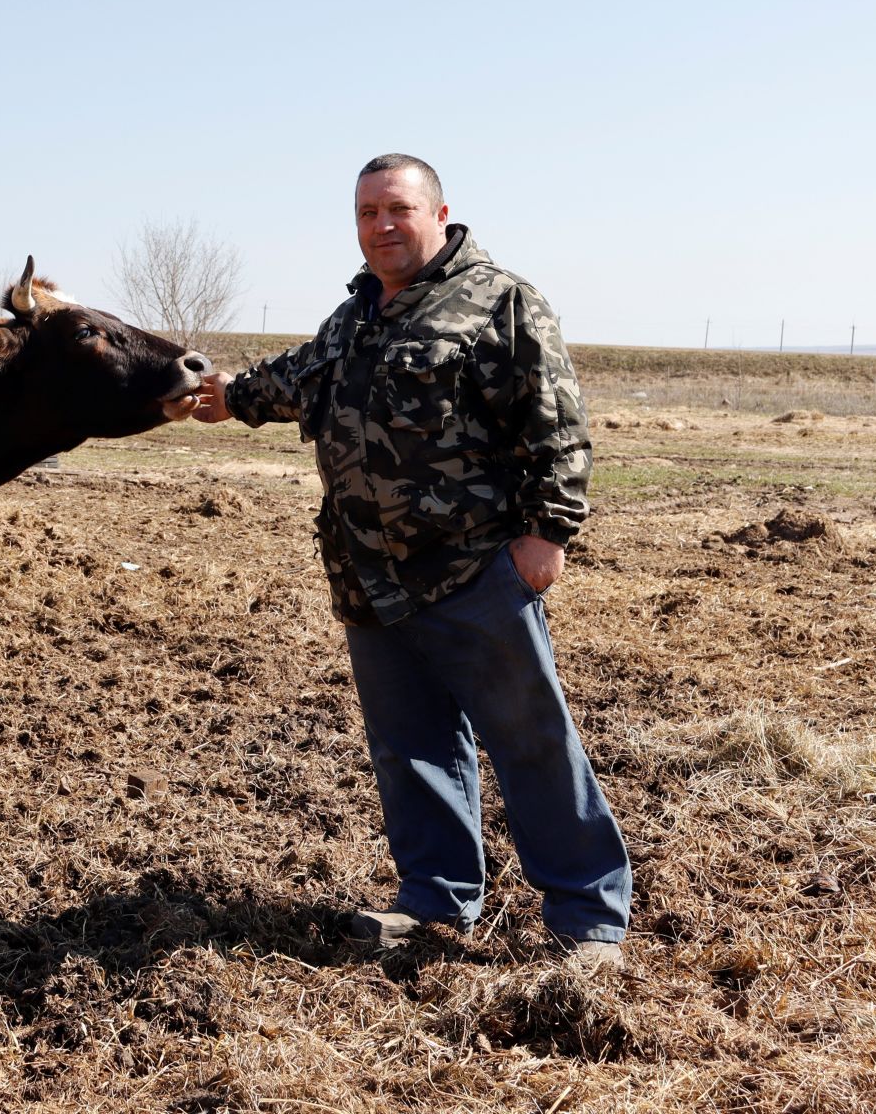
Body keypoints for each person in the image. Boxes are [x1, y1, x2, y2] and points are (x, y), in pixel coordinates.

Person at [192, 154, 630, 965]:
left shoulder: (499, 302)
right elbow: (296, 382)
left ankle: (587, 918)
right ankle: (435, 907)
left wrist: (547, 539)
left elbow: (557, 430)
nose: (381, 227)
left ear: (438, 212)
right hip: (368, 577)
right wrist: (227, 396)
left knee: (530, 740)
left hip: (472, 571)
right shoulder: (355, 314)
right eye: (366, 214)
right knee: (412, 750)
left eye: (397, 209)